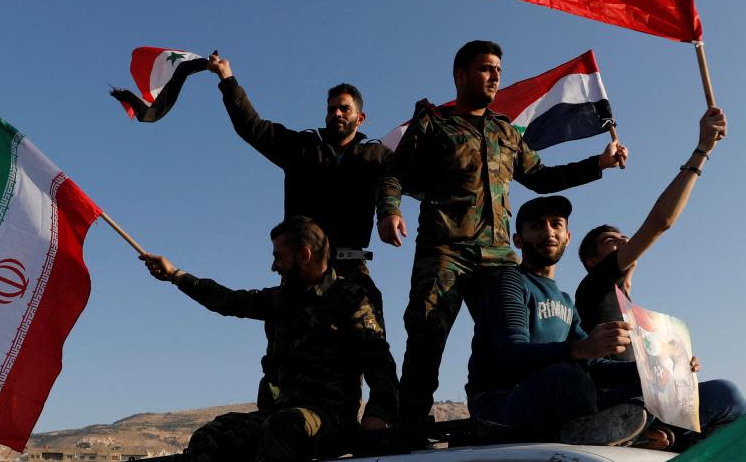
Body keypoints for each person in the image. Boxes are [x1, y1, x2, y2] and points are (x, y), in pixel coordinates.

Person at [375, 40, 628, 432]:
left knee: (516, 336)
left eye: (498, 70)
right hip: (445, 251)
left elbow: (543, 178)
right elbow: (393, 173)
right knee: (427, 336)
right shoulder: (434, 124)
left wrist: (599, 163)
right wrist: (390, 212)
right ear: (460, 76)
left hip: (497, 256)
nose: (495, 76)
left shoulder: (505, 133)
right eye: (485, 68)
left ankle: (518, 408)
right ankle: (409, 428)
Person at [466, 196, 745, 449]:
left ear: (567, 236)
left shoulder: (563, 300)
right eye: (537, 226)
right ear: (518, 239)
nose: (548, 232)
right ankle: (635, 434)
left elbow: (595, 365)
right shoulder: (510, 283)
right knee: (570, 377)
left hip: (573, 405)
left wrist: (662, 368)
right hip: (503, 408)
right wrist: (582, 349)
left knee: (725, 394)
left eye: (556, 225)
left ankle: (653, 437)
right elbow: (511, 355)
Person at [207, 52, 390, 411]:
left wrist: (392, 212)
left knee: (365, 349)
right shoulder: (303, 149)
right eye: (332, 108)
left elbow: (404, 183)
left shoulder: (376, 158)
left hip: (350, 271)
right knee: (283, 356)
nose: (336, 114)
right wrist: (227, 80)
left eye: (345, 109)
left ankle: (357, 424)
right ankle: (276, 424)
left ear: (360, 117)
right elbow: (253, 128)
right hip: (301, 275)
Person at [140, 216, 399, 462]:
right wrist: (176, 275)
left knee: (282, 427)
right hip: (281, 413)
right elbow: (229, 301)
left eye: (278, 257)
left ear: (304, 255)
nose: (273, 266)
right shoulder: (282, 299)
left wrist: (376, 416)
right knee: (212, 435)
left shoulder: (350, 299)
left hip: (331, 418)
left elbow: (380, 363)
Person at [575, 107, 727, 359]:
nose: (624, 240)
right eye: (610, 241)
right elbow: (660, 221)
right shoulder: (595, 287)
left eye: (623, 237)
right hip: (616, 396)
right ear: (592, 262)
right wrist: (702, 151)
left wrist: (680, 365)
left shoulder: (631, 312)